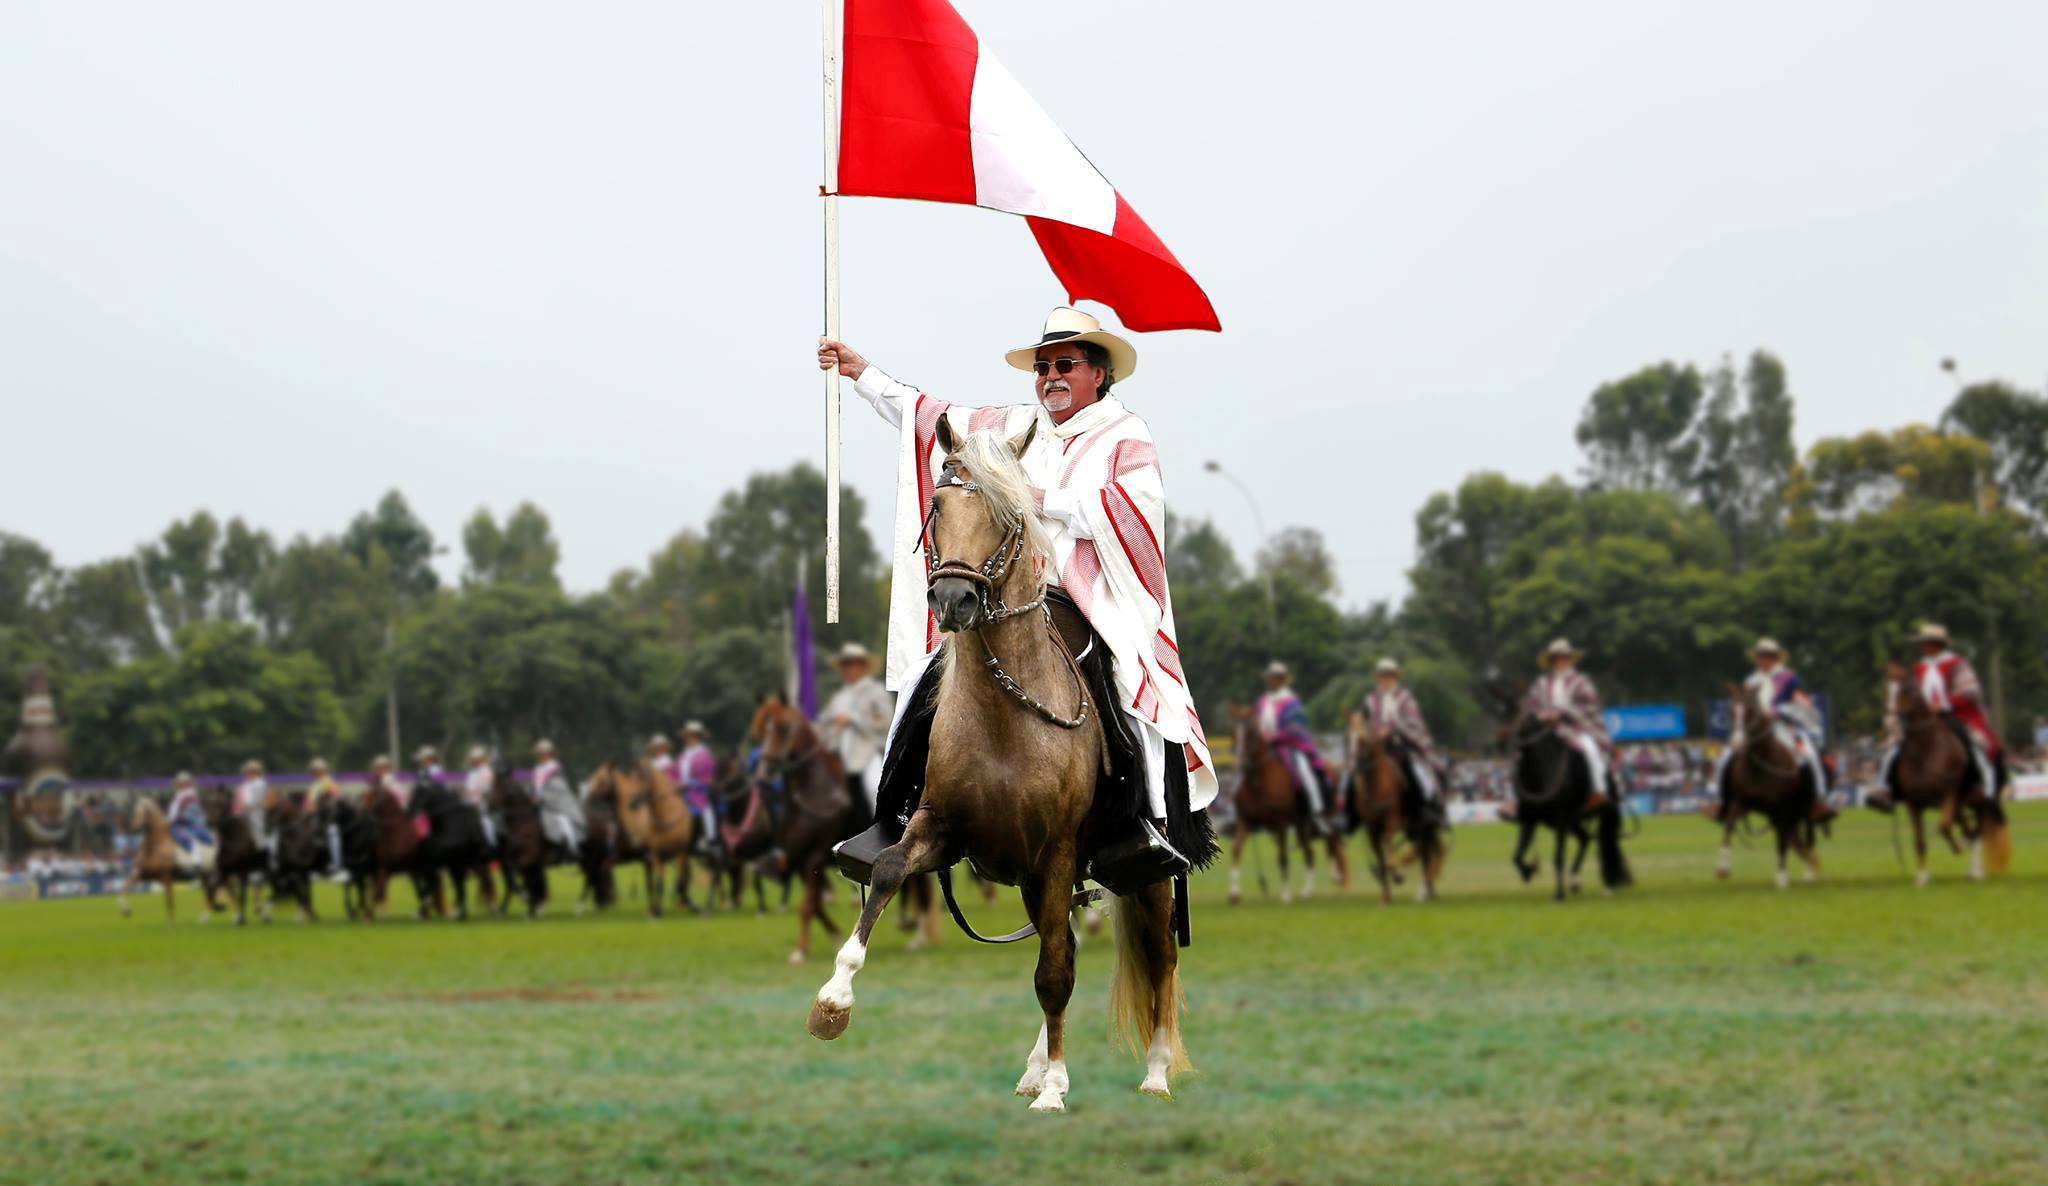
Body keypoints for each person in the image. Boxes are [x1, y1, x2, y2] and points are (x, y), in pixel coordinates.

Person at [819, 306, 1218, 887]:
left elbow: (1133, 511)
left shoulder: (1126, 435)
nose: (1050, 376)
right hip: (1008, 594)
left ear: (1098, 374)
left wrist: (1038, 496)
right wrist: (862, 374)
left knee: (1136, 687)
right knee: (922, 676)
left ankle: (1150, 825)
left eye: (1064, 365)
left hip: (1092, 600)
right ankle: (894, 816)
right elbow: (933, 418)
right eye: (1043, 367)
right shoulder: (1014, 427)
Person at [1709, 639, 1832, 823]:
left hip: (1782, 725)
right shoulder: (1751, 680)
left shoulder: (1789, 678)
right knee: (1726, 756)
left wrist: (1778, 712)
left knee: (1809, 754)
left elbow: (1800, 702)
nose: (1762, 660)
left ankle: (1819, 800)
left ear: (1775, 658)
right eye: (1759, 656)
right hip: (1754, 730)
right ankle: (1720, 801)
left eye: (1766, 656)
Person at [1883, 622, 2006, 802]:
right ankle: (1887, 788)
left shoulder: (1958, 664)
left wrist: (1945, 704)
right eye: (1921, 642)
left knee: (1975, 744)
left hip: (1955, 715)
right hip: (1924, 720)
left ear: (1936, 644)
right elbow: (1909, 693)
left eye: (1925, 642)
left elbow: (1970, 691)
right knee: (1895, 746)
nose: (1922, 646)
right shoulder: (1918, 668)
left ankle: (1986, 788)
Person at [1518, 639, 1617, 812]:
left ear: (1570, 659)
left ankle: (1598, 792)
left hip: (1576, 728)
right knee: (1523, 753)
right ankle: (1520, 800)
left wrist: (1563, 712)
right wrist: (1540, 715)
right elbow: (1532, 705)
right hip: (1546, 730)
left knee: (1590, 750)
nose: (1561, 661)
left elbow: (1591, 705)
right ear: (1551, 661)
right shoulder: (1541, 683)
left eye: (1564, 657)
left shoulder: (1581, 681)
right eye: (1557, 658)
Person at [1358, 657, 1448, 823]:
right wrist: (1370, 731)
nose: (1385, 678)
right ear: (1377, 677)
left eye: (1389, 675)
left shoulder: (1405, 697)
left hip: (1401, 744)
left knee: (1415, 769)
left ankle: (1428, 806)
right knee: (1355, 769)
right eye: (1382, 675)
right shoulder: (1370, 699)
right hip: (1376, 746)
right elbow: (1364, 722)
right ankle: (1348, 812)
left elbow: (1414, 722)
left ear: (1395, 677)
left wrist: (1392, 728)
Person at [1257, 661, 1340, 834]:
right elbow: (1258, 724)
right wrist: (1262, 736)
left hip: (1290, 746)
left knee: (1304, 772)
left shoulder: (1291, 702)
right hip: (1266, 748)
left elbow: (1296, 727)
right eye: (1272, 678)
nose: (1274, 681)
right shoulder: (1263, 702)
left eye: (1277, 678)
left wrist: (1275, 737)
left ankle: (1317, 812)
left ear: (1283, 680)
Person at [818, 643, 893, 826]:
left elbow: (887, 722)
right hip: (838, 756)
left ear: (862, 667)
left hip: (868, 754)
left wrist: (854, 719)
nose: (849, 669)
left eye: (853, 664)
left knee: (873, 786)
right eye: (846, 665)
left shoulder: (876, 693)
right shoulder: (839, 697)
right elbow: (823, 725)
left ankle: (881, 826)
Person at [529, 739, 584, 859]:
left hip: (559, 802)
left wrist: (541, 797)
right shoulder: (537, 767)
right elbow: (532, 779)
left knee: (563, 820)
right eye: (537, 753)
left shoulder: (555, 766)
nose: (538, 755)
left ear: (547, 753)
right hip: (541, 802)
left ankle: (572, 846)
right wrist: (512, 773)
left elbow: (554, 785)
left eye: (540, 753)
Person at [677, 722, 719, 845]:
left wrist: (688, 784)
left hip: (699, 792)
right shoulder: (683, 754)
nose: (686, 738)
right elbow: (675, 772)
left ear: (696, 736)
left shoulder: (704, 754)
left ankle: (710, 837)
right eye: (686, 735)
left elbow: (708, 778)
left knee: (705, 809)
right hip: (681, 792)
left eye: (689, 735)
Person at [305, 757, 346, 876]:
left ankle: (337, 864)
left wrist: (319, 808)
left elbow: (336, 799)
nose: (315, 772)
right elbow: (307, 803)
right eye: (314, 770)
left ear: (324, 770)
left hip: (327, 818)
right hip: (313, 818)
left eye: (317, 770)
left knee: (333, 835)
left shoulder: (329, 783)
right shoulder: (314, 785)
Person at [233, 759, 274, 862]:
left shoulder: (260, 784)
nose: (246, 774)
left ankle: (265, 854)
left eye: (248, 771)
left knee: (258, 832)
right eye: (246, 771)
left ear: (255, 772)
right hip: (242, 812)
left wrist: (246, 806)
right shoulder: (245, 785)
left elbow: (257, 800)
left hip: (256, 812)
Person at [167, 771, 213, 853]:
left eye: (185, 783)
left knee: (180, 834)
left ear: (188, 783)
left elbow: (192, 809)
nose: (182, 784)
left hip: (188, 820)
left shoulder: (191, 793)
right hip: (177, 819)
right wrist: (170, 818)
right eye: (180, 783)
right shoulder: (178, 794)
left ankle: (192, 851)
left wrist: (176, 818)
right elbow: (173, 809)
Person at [463, 746, 499, 850]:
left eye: (476, 759)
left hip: (484, 806)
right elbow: (468, 790)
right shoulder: (472, 773)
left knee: (486, 824)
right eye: (473, 760)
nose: (474, 761)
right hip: (470, 805)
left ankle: (493, 847)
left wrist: (475, 796)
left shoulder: (487, 772)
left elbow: (487, 790)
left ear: (483, 759)